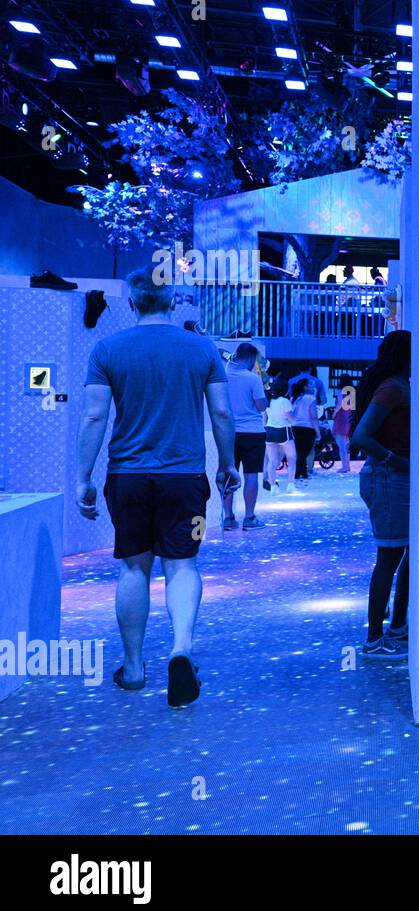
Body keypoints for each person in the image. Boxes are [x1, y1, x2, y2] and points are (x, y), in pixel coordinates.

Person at [74, 266, 238, 709]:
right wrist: (227, 465)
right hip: (184, 478)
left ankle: (132, 669)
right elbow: (222, 415)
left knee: (132, 569)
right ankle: (180, 649)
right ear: (173, 301)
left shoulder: (107, 349)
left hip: (127, 476)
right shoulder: (201, 349)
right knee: (183, 565)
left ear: (131, 302)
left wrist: (83, 477)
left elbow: (93, 416)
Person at [350, 331, 413, 660]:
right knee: (388, 559)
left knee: (405, 557)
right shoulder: (393, 388)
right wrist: (395, 460)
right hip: (388, 478)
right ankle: (374, 639)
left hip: (393, 478)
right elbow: (361, 435)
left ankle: (397, 628)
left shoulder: (398, 386)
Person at [221, 342, 269, 530]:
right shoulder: (252, 379)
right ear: (250, 358)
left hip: (228, 432)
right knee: (250, 476)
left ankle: (228, 518)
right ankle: (249, 518)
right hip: (252, 433)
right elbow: (261, 406)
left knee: (228, 476)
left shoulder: (224, 377)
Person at [263, 378, 296, 493]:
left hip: (269, 430)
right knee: (291, 457)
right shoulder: (285, 401)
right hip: (284, 430)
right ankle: (290, 485)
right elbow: (291, 419)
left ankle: (273, 487)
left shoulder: (267, 400)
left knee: (272, 460)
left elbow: (264, 419)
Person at [288, 378, 318, 484]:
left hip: (294, 428)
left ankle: (303, 474)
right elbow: (313, 416)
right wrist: (318, 431)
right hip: (308, 429)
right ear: (305, 387)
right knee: (303, 453)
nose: (313, 386)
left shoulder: (293, 398)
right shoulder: (310, 398)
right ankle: (296, 475)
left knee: (300, 452)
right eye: (310, 384)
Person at [332, 375, 355, 474]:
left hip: (341, 417)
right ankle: (347, 466)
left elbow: (339, 404)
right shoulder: (352, 392)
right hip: (348, 416)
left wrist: (333, 414)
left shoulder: (340, 391)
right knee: (345, 444)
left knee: (341, 444)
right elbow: (353, 407)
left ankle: (344, 467)